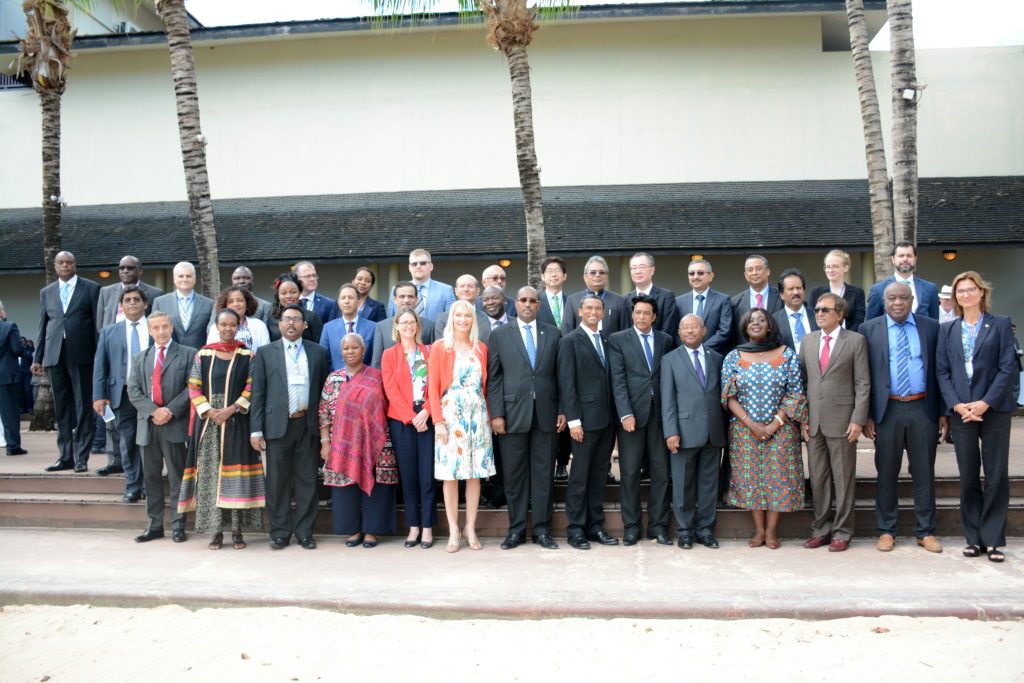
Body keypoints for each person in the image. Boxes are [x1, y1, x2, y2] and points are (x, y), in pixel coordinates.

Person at [936, 271, 1017, 563]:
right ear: (955, 297)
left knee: (996, 475)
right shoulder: (947, 329)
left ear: (982, 292)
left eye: (971, 289)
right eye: (961, 291)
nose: (966, 294)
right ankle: (973, 538)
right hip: (961, 412)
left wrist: (985, 403)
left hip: (994, 410)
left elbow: (1008, 368)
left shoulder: (1000, 324)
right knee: (968, 476)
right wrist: (957, 405)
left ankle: (993, 540)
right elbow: (942, 372)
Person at [860, 282, 946, 553]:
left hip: (923, 407)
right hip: (887, 410)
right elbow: (864, 375)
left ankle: (925, 531)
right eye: (892, 298)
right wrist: (868, 414)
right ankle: (887, 530)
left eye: (903, 297)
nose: (897, 302)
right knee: (886, 471)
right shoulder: (868, 329)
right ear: (884, 301)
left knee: (924, 471)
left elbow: (940, 371)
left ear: (912, 301)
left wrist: (942, 412)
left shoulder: (931, 327)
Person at [179, 308, 266, 550]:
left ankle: (237, 531)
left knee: (235, 478)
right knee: (210, 476)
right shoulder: (203, 354)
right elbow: (193, 387)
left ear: (239, 327)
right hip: (208, 425)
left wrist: (231, 409)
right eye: (223, 324)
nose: (228, 328)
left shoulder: (247, 355)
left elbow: (252, 388)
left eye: (232, 325)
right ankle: (215, 531)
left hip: (237, 421)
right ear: (216, 327)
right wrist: (209, 411)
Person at [722, 307, 807, 549]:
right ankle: (759, 530)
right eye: (751, 320)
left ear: (770, 326)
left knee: (777, 478)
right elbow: (728, 395)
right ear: (745, 327)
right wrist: (751, 424)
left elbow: (795, 392)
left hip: (781, 430)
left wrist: (774, 424)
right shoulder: (733, 356)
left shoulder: (787, 354)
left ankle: (771, 531)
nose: (756, 323)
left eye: (761, 319)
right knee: (751, 479)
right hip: (744, 431)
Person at [488, 287, 563, 550]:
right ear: (515, 303)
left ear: (539, 305)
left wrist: (562, 409)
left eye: (532, 300)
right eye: (523, 300)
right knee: (514, 476)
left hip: (546, 414)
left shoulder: (553, 333)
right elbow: (494, 378)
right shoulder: (500, 335)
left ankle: (542, 531)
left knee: (543, 476)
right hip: (511, 416)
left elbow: (562, 375)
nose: (528, 304)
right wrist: (497, 414)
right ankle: (516, 531)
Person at [250, 304, 331, 550]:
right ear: (279, 324)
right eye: (287, 319)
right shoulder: (265, 353)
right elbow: (258, 393)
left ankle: (305, 533)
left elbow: (324, 393)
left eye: (296, 319)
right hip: (276, 426)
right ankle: (280, 533)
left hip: (308, 425)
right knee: (277, 482)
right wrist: (256, 430)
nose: (291, 323)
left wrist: (325, 432)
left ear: (305, 325)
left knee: (307, 481)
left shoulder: (318, 352)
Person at [798, 293, 870, 552]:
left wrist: (858, 419)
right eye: (817, 309)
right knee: (818, 480)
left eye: (825, 310)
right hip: (814, 422)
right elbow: (802, 382)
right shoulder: (808, 341)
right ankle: (821, 530)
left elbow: (863, 383)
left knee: (843, 479)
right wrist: (803, 418)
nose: (819, 313)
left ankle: (842, 531)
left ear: (840, 314)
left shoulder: (856, 341)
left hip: (843, 421)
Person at [427, 300, 495, 553]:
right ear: (451, 319)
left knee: (475, 474)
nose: (463, 320)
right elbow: (432, 388)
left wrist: (489, 418)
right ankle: (454, 529)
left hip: (477, 416)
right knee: (451, 475)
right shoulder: (440, 347)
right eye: (459, 316)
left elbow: (485, 388)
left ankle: (470, 527)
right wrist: (438, 422)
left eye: (467, 316)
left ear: (473, 320)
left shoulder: (481, 348)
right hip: (450, 416)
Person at [607, 294, 673, 546]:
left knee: (661, 472)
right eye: (638, 313)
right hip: (631, 416)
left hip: (660, 415)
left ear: (654, 317)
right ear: (632, 315)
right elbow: (618, 379)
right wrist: (625, 413)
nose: (642, 317)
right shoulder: (618, 339)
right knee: (630, 472)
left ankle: (658, 527)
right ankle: (632, 527)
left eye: (647, 313)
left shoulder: (666, 340)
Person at [319, 333, 396, 548]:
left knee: (378, 485)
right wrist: (325, 443)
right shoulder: (333, 379)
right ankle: (352, 529)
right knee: (346, 486)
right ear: (341, 352)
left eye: (355, 347)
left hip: (376, 440)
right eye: (346, 348)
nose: (350, 351)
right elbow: (324, 412)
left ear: (363, 350)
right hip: (341, 443)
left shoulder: (377, 377)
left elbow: (388, 406)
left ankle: (372, 530)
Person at [128, 312, 196, 543]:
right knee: (151, 478)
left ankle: (178, 526)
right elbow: (133, 391)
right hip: (148, 426)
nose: (161, 331)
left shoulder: (188, 354)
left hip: (174, 424)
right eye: (156, 328)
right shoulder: (140, 358)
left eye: (165, 326)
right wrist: (153, 411)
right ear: (149, 331)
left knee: (177, 477)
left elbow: (191, 387)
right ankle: (155, 525)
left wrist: (169, 410)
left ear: (171, 327)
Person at [558, 295, 618, 549]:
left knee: (598, 477)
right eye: (589, 308)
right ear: (580, 311)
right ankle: (576, 530)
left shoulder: (607, 340)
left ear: (603, 312)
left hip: (606, 421)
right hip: (583, 421)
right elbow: (567, 383)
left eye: (598, 308)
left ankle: (595, 526)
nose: (593, 312)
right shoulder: (569, 340)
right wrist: (574, 421)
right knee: (580, 477)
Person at [661, 314, 725, 548]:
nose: (689, 331)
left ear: (704, 331)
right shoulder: (670, 359)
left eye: (694, 327)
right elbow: (667, 399)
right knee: (683, 485)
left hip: (713, 432)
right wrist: (671, 432)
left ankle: (706, 531)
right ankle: (685, 532)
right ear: (679, 332)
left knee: (709, 485)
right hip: (683, 432)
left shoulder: (717, 358)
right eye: (685, 328)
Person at [33, 251, 101, 472]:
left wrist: (99, 356)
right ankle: (65, 457)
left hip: (82, 355)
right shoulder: (47, 292)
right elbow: (43, 326)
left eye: (69, 262)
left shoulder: (91, 288)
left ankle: (81, 457)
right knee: (62, 409)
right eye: (61, 263)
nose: (65, 266)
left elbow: (97, 326)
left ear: (75, 265)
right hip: (55, 356)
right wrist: (37, 358)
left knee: (83, 407)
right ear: (55, 266)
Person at [381, 309, 437, 549]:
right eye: (403, 322)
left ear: (417, 326)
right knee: (409, 476)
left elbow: (437, 385)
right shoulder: (389, 354)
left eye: (411, 322)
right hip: (402, 420)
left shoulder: (429, 352)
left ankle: (428, 527)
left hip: (427, 417)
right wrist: (411, 417)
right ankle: (414, 526)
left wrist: (426, 411)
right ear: (396, 325)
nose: (407, 326)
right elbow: (390, 390)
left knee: (427, 476)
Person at [92, 286, 149, 501]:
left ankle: (149, 485)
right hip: (122, 394)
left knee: (149, 441)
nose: (132, 303)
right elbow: (100, 366)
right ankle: (133, 486)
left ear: (145, 304)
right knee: (128, 440)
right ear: (121, 306)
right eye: (127, 300)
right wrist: (99, 395)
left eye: (136, 299)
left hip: (151, 395)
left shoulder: (156, 327)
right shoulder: (109, 332)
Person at [866, 241, 939, 320]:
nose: (905, 259)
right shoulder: (878, 290)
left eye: (909, 256)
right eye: (901, 256)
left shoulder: (930, 288)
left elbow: (934, 322)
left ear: (915, 259)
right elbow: (871, 323)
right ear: (893, 259)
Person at [371, 281, 436, 368]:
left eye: (410, 296)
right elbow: (377, 363)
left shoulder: (430, 326)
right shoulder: (382, 327)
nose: (406, 300)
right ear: (394, 299)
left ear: (417, 299)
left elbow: (434, 360)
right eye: (402, 296)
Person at [674, 258, 733, 354]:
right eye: (691, 273)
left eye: (700, 273)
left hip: (713, 355)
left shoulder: (723, 300)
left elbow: (724, 331)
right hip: (685, 356)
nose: (695, 276)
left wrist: (702, 350)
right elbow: (675, 331)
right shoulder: (678, 302)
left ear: (711, 276)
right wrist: (687, 350)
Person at [151, 262, 214, 350]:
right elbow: (154, 331)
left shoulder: (209, 304)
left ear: (194, 279)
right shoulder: (160, 302)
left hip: (199, 354)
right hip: (170, 355)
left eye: (188, 276)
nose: (184, 279)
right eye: (180, 276)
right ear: (174, 279)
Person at [563, 256, 629, 336]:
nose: (597, 275)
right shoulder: (572, 301)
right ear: (585, 277)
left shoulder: (618, 300)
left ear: (606, 276)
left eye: (602, 272)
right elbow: (567, 334)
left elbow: (625, 333)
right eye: (593, 272)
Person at [95, 255, 163, 330]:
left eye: (130, 268)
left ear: (140, 271)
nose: (125, 271)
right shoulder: (105, 292)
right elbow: (100, 324)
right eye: (122, 268)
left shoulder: (155, 294)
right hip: (112, 336)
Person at [807, 249, 867, 332]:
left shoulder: (857, 293)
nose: (830, 270)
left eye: (835, 266)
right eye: (828, 267)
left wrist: (845, 337)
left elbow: (858, 321)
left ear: (846, 268)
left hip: (849, 337)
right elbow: (812, 320)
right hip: (823, 337)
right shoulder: (816, 292)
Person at [386, 249, 455, 320]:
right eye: (414, 264)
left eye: (423, 263)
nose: (418, 266)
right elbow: (390, 319)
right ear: (409, 268)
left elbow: (450, 320)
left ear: (431, 266)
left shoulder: (446, 290)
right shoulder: (396, 289)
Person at [731, 254, 783, 347]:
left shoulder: (782, 297)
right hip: (747, 352)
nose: (754, 273)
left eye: (758, 269)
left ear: (768, 271)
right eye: (750, 270)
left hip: (777, 350)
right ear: (745, 275)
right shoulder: (735, 302)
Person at [321, 284, 375, 369]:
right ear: (339, 303)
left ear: (358, 302)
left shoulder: (372, 327)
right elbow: (324, 360)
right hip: (337, 376)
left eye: (350, 297)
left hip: (365, 376)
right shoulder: (328, 328)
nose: (346, 301)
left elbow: (375, 359)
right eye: (343, 298)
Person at [625, 253, 678, 337]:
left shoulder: (666, 297)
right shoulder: (625, 299)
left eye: (642, 267)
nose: (637, 271)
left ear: (652, 270)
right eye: (634, 268)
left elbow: (668, 330)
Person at [207, 286, 271, 352]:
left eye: (240, 300)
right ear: (225, 305)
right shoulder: (215, 328)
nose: (235, 304)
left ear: (247, 303)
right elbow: (209, 353)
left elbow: (266, 353)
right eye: (231, 301)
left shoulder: (259, 325)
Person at [434, 274, 492, 344]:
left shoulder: (484, 316)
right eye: (462, 286)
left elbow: (486, 344)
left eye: (470, 286)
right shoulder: (442, 318)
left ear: (477, 291)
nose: (466, 289)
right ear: (456, 291)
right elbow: (441, 345)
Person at [0, 301, 26, 455]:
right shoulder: (9, 327)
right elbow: (18, 350)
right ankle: (13, 445)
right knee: (10, 412)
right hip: (7, 375)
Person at [268, 272, 323, 343]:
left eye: (293, 292)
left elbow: (319, 345)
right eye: (283, 293)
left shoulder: (312, 317)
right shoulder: (272, 318)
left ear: (300, 293)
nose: (288, 296)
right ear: (278, 296)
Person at [537, 256, 571, 335]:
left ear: (564, 276)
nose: (553, 274)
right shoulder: (536, 302)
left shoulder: (571, 302)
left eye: (558, 271)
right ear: (542, 277)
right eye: (549, 271)